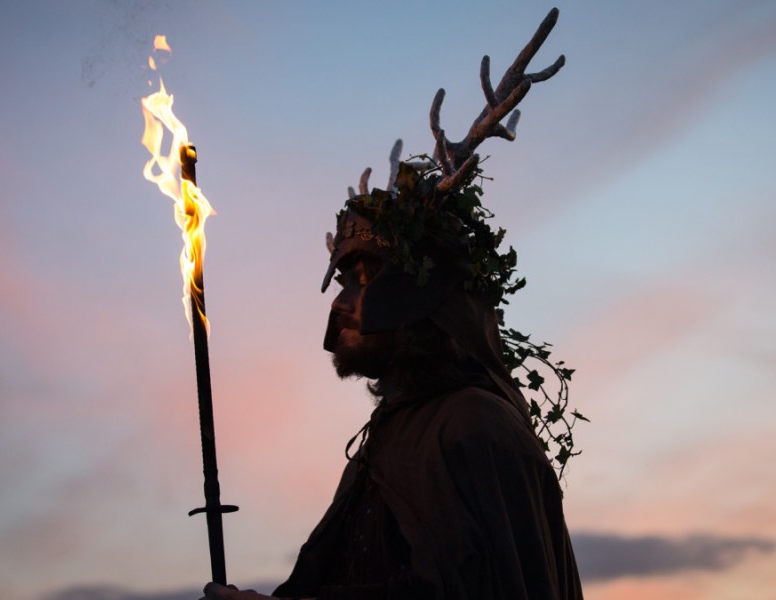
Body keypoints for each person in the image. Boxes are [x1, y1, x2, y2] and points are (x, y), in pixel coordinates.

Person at [203, 8, 583, 599]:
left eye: (366, 275)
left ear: (423, 294)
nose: (345, 303)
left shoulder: (472, 427)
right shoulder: (395, 434)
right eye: (345, 278)